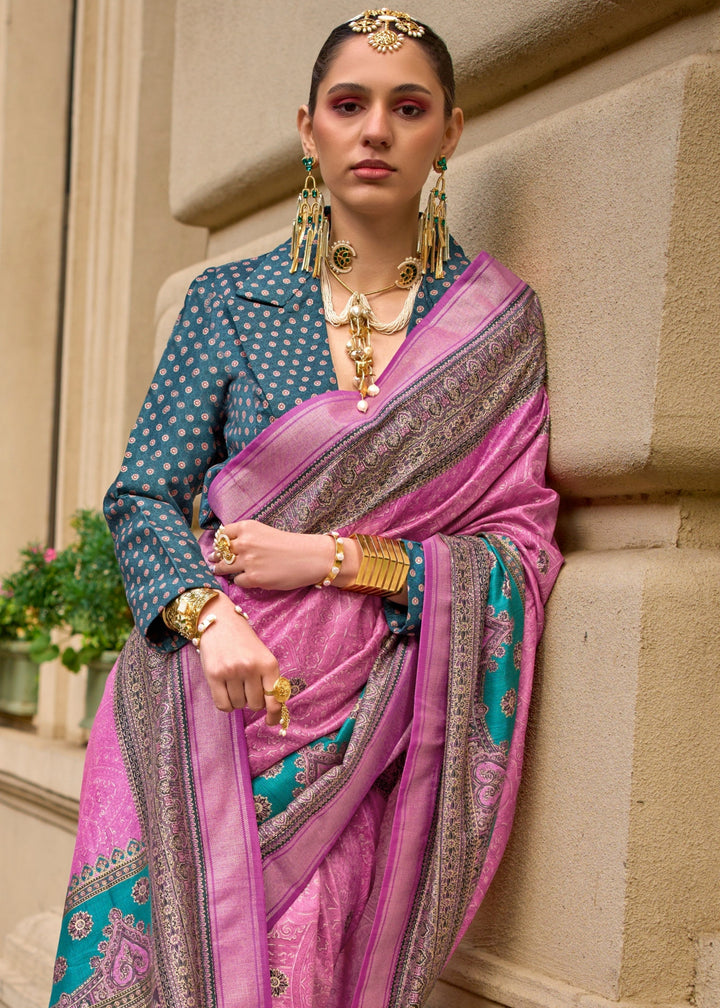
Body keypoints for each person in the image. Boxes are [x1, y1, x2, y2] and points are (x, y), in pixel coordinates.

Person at [49, 10, 561, 1008]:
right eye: (348, 104)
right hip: (203, 705)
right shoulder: (230, 302)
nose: (375, 130)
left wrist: (336, 558)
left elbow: (519, 543)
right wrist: (211, 618)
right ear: (308, 127)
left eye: (407, 108)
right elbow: (143, 497)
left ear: (449, 132)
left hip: (367, 729)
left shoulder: (496, 326)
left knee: (305, 964)